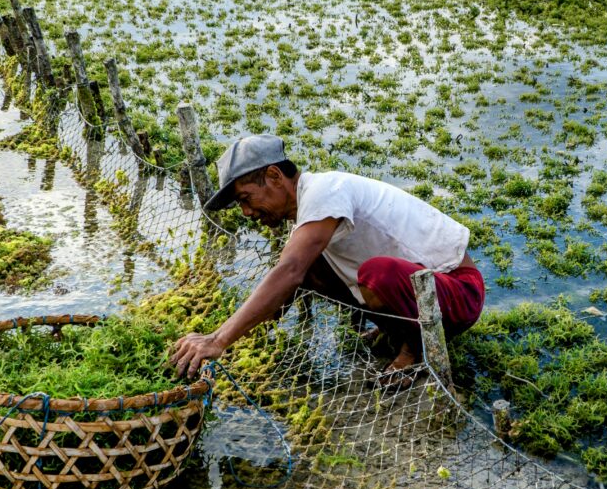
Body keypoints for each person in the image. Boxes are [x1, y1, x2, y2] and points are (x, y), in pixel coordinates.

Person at [169, 135, 485, 384]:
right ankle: (397, 328)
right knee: (312, 268)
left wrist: (218, 339)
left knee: (375, 272)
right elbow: (291, 280)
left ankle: (413, 351)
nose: (247, 213)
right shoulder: (305, 215)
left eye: (245, 199)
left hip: (458, 290)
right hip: (423, 290)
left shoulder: (324, 192)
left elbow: (289, 270)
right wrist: (247, 339)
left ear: (275, 176)